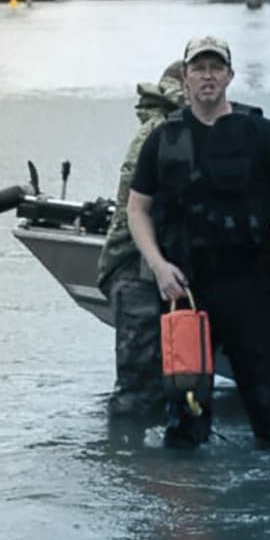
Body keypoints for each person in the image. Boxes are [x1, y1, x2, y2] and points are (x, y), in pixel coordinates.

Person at [126, 36, 270, 449]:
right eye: (199, 68)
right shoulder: (163, 138)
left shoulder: (262, 133)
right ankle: (187, 499)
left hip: (252, 286)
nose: (208, 75)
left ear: (229, 75)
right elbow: (138, 210)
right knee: (186, 412)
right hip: (185, 292)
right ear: (185, 78)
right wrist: (157, 266)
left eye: (216, 67)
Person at [96, 60, 185, 418]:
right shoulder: (158, 133)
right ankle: (129, 457)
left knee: (169, 379)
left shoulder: (173, 130)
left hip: (157, 271)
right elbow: (132, 210)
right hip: (137, 273)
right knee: (138, 390)